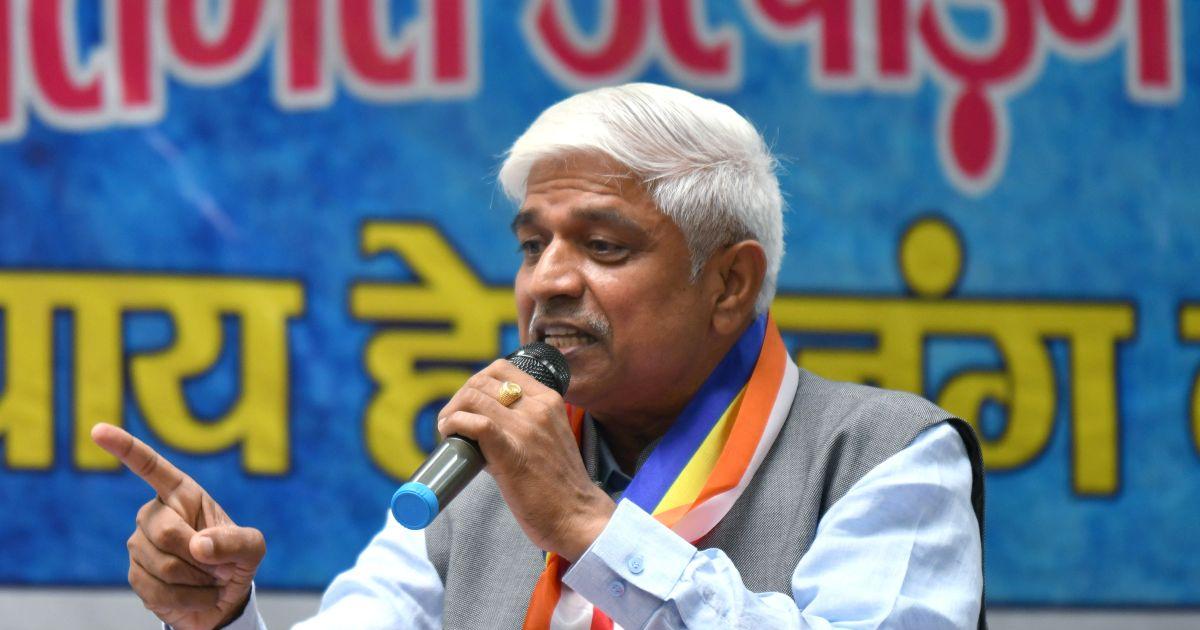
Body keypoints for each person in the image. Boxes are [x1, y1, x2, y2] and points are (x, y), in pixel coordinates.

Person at [92, 83, 985, 629]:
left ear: (728, 284)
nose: (547, 281)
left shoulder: (887, 455)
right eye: (531, 245)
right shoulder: (482, 472)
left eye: (602, 246)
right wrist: (219, 619)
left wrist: (591, 529)